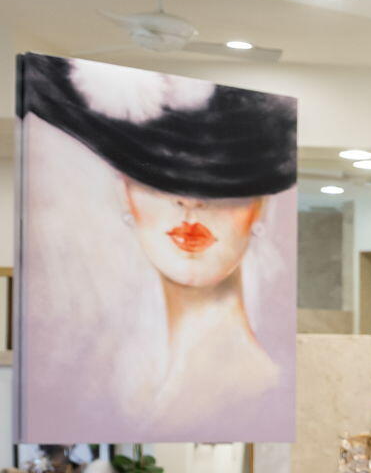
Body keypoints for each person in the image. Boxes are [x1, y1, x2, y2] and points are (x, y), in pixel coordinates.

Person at [17, 53, 296, 440]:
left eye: (222, 185)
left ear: (261, 207)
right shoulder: (108, 376)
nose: (189, 203)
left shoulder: (261, 393)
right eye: (157, 179)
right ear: (125, 192)